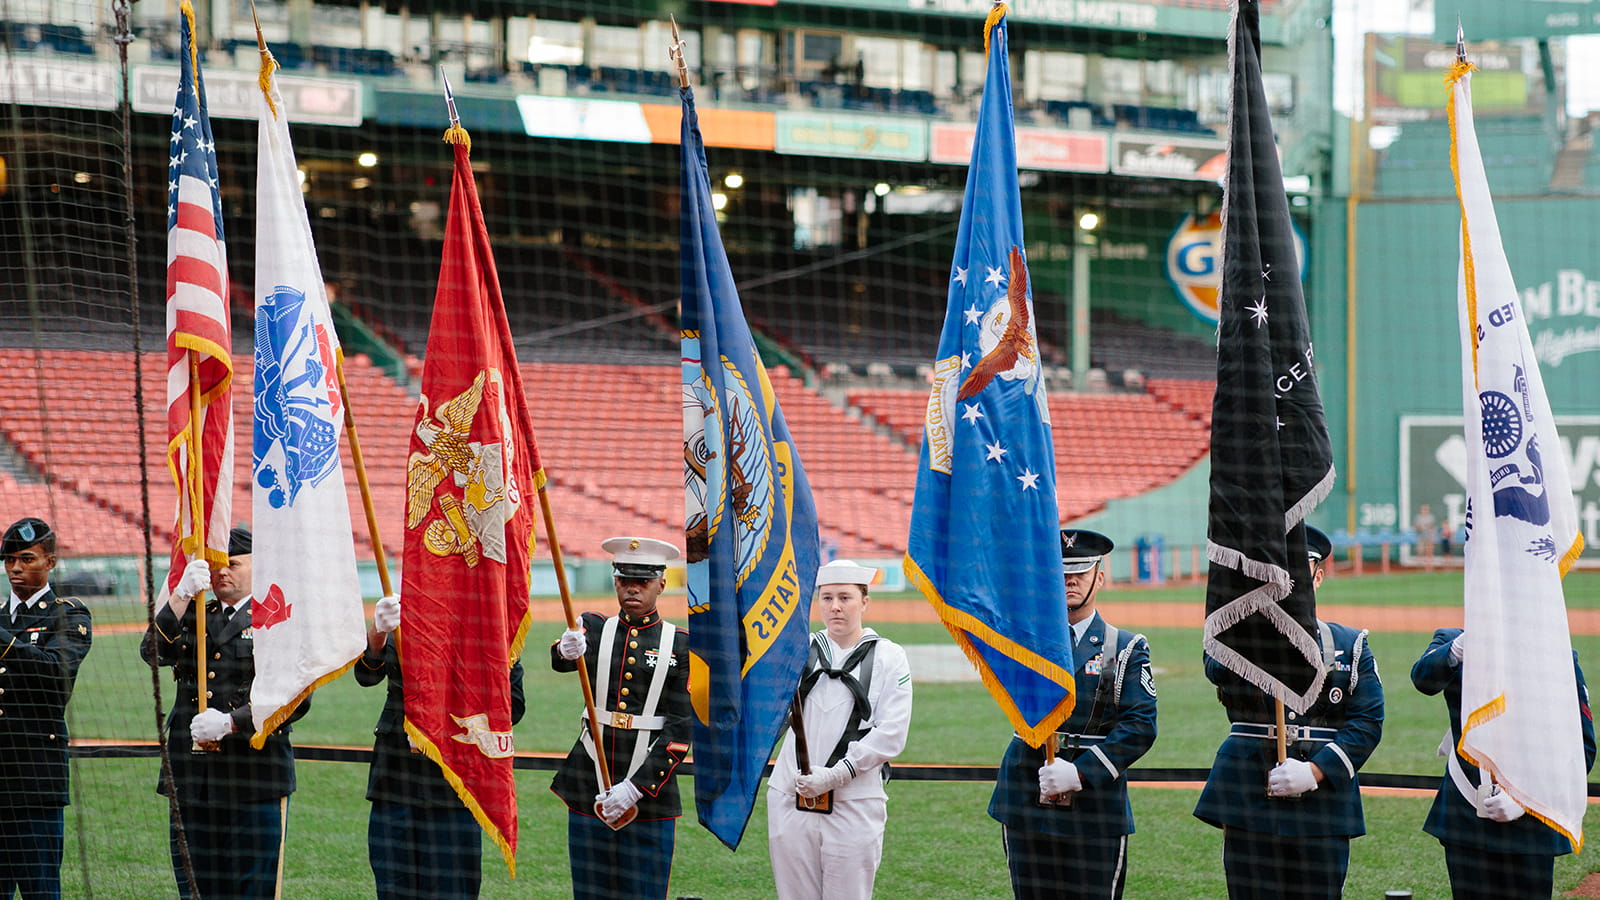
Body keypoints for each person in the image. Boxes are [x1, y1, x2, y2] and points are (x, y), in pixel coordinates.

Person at [1193, 526, 1383, 900]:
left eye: (1301, 567)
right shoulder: (1235, 637)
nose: (1291, 577)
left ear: (1319, 576)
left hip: (1323, 803)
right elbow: (1217, 672)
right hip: (1248, 795)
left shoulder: (1349, 644)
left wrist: (1316, 770)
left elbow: (1368, 722)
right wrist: (1257, 631)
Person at [988, 529, 1158, 900]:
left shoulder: (1126, 646)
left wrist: (1081, 771)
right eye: (1062, 570)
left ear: (1100, 576)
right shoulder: (1021, 642)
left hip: (1096, 803)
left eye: (1081, 571)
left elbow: (1141, 726)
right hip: (1026, 792)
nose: (1071, 580)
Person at [141, 527, 307, 900]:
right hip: (193, 777)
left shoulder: (277, 618)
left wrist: (232, 722)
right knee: (197, 888)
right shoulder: (194, 612)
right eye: (216, 565)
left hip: (254, 776)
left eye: (232, 563)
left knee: (251, 889)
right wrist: (180, 597)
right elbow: (152, 654)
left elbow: (296, 697)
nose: (222, 572)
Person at [356, 593, 526, 899]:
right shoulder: (404, 613)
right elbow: (365, 676)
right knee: (392, 887)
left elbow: (513, 705)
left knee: (452, 890)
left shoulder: (490, 625)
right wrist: (377, 633)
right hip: (395, 779)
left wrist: (436, 726)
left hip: (455, 787)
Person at [550, 537, 691, 900]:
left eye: (643, 580)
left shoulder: (680, 645)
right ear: (614, 580)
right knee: (589, 892)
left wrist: (636, 788)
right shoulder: (595, 629)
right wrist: (566, 649)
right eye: (625, 578)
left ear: (662, 583)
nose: (633, 587)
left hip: (649, 795)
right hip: (588, 786)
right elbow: (562, 655)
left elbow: (681, 728)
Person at [766, 559, 913, 900]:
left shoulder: (891, 656)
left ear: (865, 601)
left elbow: (892, 733)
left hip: (854, 801)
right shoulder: (794, 649)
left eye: (845, 598)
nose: (835, 607)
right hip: (792, 795)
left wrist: (836, 775)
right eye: (827, 598)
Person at [1411, 629, 1596, 899]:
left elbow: (1581, 749)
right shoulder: (1453, 641)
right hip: (1467, 817)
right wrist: (1459, 648)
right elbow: (1423, 680)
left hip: (1532, 825)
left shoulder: (1558, 657)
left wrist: (1525, 798)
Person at [0, 517, 91, 900]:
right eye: (9, 561)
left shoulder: (68, 614)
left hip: (35, 780)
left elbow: (56, 674)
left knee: (40, 891)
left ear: (50, 562)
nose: (16, 569)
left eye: (26, 559)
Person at [1413, 504, 1439, 570]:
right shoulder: (1418, 517)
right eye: (1423, 509)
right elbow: (1416, 527)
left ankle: (1429, 567)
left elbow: (1433, 526)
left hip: (1429, 537)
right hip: (1421, 537)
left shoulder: (1431, 517)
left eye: (1426, 509)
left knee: (1429, 553)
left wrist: (1428, 526)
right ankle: (1420, 567)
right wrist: (1421, 527)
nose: (1424, 511)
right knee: (1420, 552)